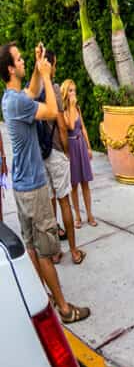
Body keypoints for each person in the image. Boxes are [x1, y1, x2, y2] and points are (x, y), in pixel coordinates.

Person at [1, 43, 90, 323]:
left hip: (22, 185)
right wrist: (48, 76)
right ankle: (64, 309)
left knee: (31, 246)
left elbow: (30, 91)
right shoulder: (17, 103)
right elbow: (53, 110)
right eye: (20, 59)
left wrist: (39, 68)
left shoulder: (11, 98)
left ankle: (43, 299)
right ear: (10, 68)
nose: (24, 60)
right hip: (35, 187)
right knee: (46, 250)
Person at [37, 50, 83, 263]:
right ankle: (74, 251)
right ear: (52, 66)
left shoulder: (34, 91)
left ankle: (55, 253)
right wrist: (66, 151)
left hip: (39, 153)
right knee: (65, 201)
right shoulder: (53, 89)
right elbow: (62, 126)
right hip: (55, 150)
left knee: (50, 202)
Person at [59, 80, 96, 228]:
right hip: (72, 147)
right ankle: (77, 217)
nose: (73, 93)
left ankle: (89, 214)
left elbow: (83, 128)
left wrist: (89, 147)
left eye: (74, 90)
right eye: (70, 91)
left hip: (81, 145)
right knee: (74, 185)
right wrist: (72, 106)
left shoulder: (78, 108)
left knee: (85, 183)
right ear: (65, 93)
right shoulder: (64, 111)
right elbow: (71, 126)